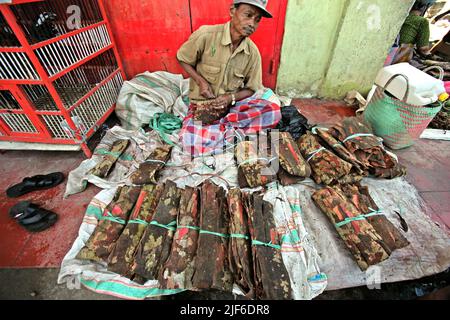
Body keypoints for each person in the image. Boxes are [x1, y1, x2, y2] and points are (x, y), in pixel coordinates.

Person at [176, 0, 281, 157]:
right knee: (190, 143)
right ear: (232, 11)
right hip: (202, 106)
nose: (252, 23)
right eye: (248, 15)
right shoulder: (206, 35)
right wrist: (201, 81)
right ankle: (228, 134)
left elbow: (252, 88)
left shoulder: (252, 53)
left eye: (257, 19)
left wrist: (230, 98)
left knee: (273, 111)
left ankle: (221, 130)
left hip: (232, 107)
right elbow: (182, 58)